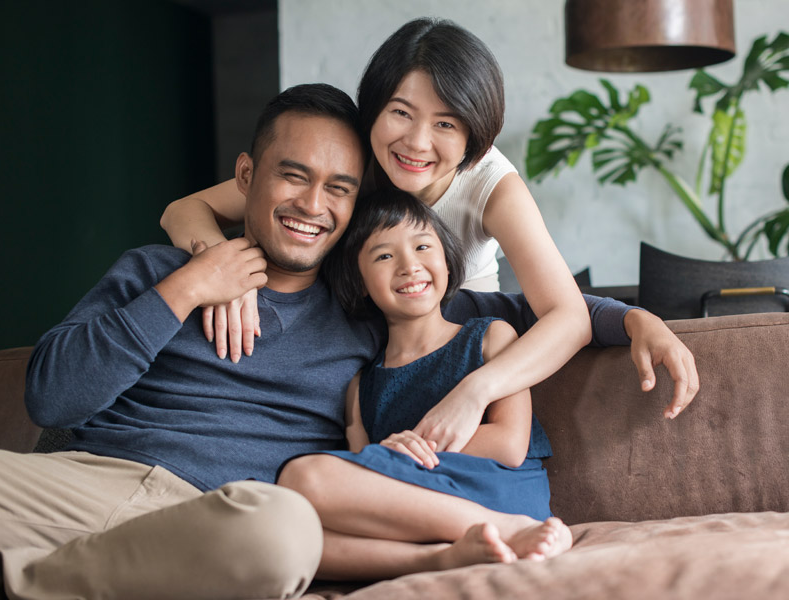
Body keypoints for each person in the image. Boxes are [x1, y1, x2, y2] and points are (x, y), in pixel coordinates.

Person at [0, 83, 692, 598]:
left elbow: (536, 308)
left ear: (354, 207)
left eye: (338, 188)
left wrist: (636, 320)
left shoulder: (365, 305)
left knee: (283, 534)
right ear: (245, 178)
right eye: (293, 176)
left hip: (225, 517)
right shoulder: (156, 269)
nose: (311, 205)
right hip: (81, 483)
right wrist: (191, 285)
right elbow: (52, 397)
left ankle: (20, 576)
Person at [160, 17, 695, 458]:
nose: (416, 142)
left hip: (441, 348)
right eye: (399, 113)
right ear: (373, 109)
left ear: (475, 136)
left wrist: (478, 389)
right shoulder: (349, 161)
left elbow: (559, 314)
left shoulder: (493, 189)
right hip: (353, 343)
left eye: (446, 123)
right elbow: (185, 210)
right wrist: (222, 272)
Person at [277, 189, 573, 580]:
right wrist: (388, 453)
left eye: (422, 246)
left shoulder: (490, 338)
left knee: (302, 478)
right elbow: (366, 477)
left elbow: (510, 445)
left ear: (448, 263)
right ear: (360, 281)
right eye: (384, 255)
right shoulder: (361, 384)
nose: (409, 265)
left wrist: (408, 449)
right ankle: (444, 557)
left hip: (499, 493)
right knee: (290, 538)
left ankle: (507, 530)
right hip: (417, 514)